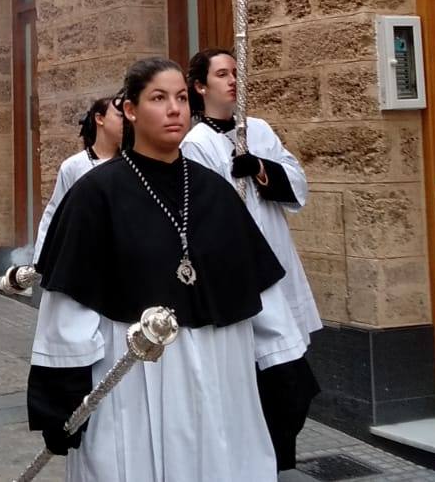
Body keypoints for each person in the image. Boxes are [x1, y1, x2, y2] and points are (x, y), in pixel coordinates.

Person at [28, 57, 313, 479]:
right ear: (131, 110)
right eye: (159, 98)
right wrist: (63, 397)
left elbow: (257, 288)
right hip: (134, 384)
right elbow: (69, 307)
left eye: (181, 97)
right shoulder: (95, 194)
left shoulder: (215, 191)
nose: (175, 109)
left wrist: (285, 366)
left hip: (222, 376)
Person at [180, 47, 322, 468]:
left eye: (236, 72)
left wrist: (260, 169)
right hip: (243, 278)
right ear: (201, 86)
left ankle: (275, 460)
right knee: (272, 381)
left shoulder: (257, 129)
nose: (233, 80)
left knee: (291, 381)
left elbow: (296, 181)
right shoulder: (195, 144)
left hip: (278, 261)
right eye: (222, 74)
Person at [31, 95, 123, 261]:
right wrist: (41, 259)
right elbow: (54, 214)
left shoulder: (131, 165)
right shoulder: (73, 166)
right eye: (120, 116)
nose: (127, 122)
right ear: (99, 119)